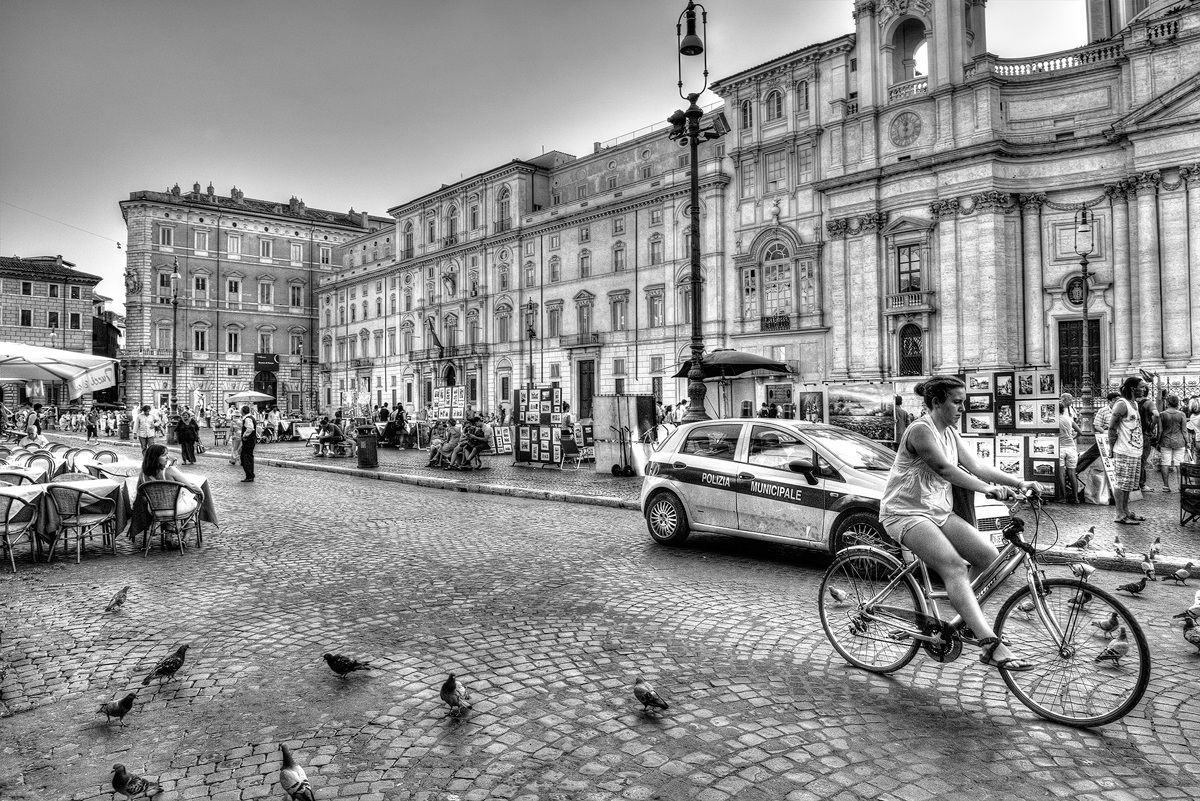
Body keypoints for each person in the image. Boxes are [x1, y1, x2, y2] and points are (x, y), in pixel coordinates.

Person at [880, 376, 1040, 672]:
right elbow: (945, 469)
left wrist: (1019, 480)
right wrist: (985, 488)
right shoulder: (920, 430)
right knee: (954, 567)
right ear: (937, 402)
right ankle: (990, 644)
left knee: (989, 559)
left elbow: (977, 466)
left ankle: (965, 618)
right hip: (905, 512)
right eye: (957, 402)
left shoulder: (951, 433)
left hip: (938, 511)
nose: (962, 408)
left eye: (963, 401)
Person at [1108, 376, 1147, 525]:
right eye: (1141, 387)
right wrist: (1111, 448)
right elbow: (1112, 428)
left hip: (1134, 450)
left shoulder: (1135, 404)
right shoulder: (1122, 405)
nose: (1144, 389)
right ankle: (1119, 514)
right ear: (1133, 388)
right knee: (1121, 483)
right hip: (1123, 450)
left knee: (1129, 484)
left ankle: (1126, 510)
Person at [136, 443, 202, 518]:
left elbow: (140, 492)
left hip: (153, 511)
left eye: (167, 454)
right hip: (175, 509)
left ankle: (168, 528)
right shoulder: (170, 471)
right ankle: (187, 529)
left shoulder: (143, 474)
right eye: (164, 455)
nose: (167, 457)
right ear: (155, 458)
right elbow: (191, 487)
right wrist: (202, 494)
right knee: (192, 501)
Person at [1157, 395, 1187, 492]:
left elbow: (1160, 430)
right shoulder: (1182, 414)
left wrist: (1158, 441)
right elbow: (1184, 430)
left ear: (1167, 403)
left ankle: (1166, 486)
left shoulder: (1162, 414)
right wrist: (1188, 442)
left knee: (1165, 463)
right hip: (1179, 441)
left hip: (1166, 441)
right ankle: (1180, 486)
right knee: (1179, 464)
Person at [1058, 393, 1081, 503]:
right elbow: (1080, 432)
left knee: (1061, 474)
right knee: (1072, 473)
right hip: (1071, 448)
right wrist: (1072, 437)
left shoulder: (1053, 421)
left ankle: (1063, 498)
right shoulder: (1068, 419)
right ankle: (1076, 498)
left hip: (1060, 448)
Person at [1137, 383, 1159, 492]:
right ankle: (1141, 484)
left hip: (1132, 434)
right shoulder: (1148, 403)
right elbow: (1156, 415)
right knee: (1142, 460)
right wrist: (1151, 426)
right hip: (1145, 434)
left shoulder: (1132, 402)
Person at [238, 404, 257, 482]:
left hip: (248, 440)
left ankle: (249, 475)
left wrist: (244, 435)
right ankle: (250, 474)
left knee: (246, 458)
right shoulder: (250, 417)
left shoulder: (247, 419)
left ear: (243, 412)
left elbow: (250, 428)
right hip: (251, 440)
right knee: (247, 456)